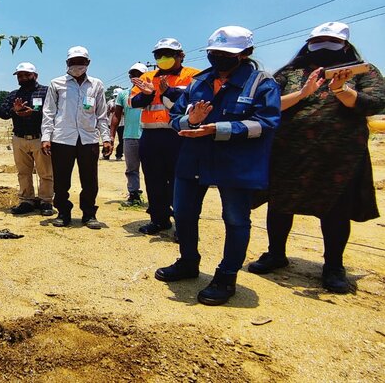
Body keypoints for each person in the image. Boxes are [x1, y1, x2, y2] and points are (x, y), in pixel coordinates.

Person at [248, 22, 385, 293]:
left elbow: (376, 102)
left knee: (335, 210)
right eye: (318, 40)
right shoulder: (291, 71)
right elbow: (266, 103)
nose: (323, 46)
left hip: (340, 157)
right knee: (280, 204)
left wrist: (341, 89)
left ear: (345, 45)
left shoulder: (363, 71)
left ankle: (333, 266)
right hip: (289, 152)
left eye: (330, 41)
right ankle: (276, 253)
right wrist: (302, 94)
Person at [154, 26, 281, 306]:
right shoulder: (199, 82)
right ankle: (188, 262)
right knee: (184, 214)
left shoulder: (261, 83)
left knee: (236, 220)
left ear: (246, 53)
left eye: (226, 54)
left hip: (235, 163)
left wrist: (218, 129)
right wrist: (193, 121)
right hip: (193, 158)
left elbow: (267, 123)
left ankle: (226, 276)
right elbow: (175, 116)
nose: (218, 58)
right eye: (214, 53)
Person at [131, 38, 200, 235]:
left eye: (168, 55)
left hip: (180, 135)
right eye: (158, 55)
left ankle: (183, 226)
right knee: (153, 180)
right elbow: (133, 102)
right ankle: (159, 220)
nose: (163, 59)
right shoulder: (147, 76)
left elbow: (195, 100)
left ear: (181, 56)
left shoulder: (193, 76)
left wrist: (169, 91)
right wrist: (146, 94)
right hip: (151, 136)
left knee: (181, 181)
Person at [41, 46, 112, 229]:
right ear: (67, 63)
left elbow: (102, 114)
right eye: (73, 62)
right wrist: (46, 137)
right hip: (62, 138)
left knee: (90, 179)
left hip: (88, 139)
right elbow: (49, 112)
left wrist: (106, 138)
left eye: (80, 62)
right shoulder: (56, 83)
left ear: (87, 63)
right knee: (61, 180)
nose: (76, 66)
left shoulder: (96, 85)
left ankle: (89, 214)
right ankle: (63, 212)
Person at [0, 62, 54, 217]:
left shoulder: (46, 92)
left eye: (27, 75)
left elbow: (55, 113)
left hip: (40, 138)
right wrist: (14, 110)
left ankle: (46, 201)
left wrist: (34, 113)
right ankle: (26, 200)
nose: (23, 78)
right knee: (23, 172)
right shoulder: (14, 94)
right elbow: (2, 113)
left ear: (35, 76)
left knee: (45, 172)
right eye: (20, 76)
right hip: (19, 139)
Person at [110, 63, 147, 206]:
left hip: (148, 135)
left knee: (152, 168)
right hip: (130, 136)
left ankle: (157, 198)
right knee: (131, 168)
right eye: (132, 74)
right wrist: (111, 135)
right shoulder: (123, 94)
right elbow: (116, 116)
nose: (134, 77)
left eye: (138, 74)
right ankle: (134, 194)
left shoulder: (152, 92)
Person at [103, 88, 125, 160]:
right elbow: (106, 113)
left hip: (122, 124)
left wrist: (120, 112)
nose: (116, 97)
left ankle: (119, 155)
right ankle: (106, 154)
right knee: (109, 139)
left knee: (122, 141)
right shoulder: (110, 102)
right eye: (115, 96)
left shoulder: (126, 102)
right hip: (110, 124)